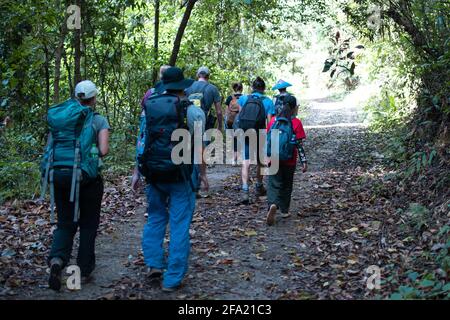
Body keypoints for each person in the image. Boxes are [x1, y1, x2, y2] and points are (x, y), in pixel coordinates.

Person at [137, 67, 209, 292]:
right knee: (179, 224)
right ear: (183, 86)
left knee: (156, 218)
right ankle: (172, 279)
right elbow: (199, 148)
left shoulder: (149, 107)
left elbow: (142, 142)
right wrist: (203, 173)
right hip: (181, 175)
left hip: (155, 173)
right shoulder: (193, 112)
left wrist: (136, 172)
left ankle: (154, 264)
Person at [46, 80, 110, 291]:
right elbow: (104, 150)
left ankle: (57, 260)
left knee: (65, 222)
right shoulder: (98, 120)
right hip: (87, 178)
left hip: (60, 174)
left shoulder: (62, 119)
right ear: (94, 98)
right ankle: (82, 270)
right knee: (88, 224)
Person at [132, 65, 171, 216]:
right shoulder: (180, 94)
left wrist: (137, 170)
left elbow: (143, 133)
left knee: (154, 176)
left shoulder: (150, 94)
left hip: (152, 146)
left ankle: (153, 206)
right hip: (172, 147)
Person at [266, 95, 307, 226]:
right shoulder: (296, 122)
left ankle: (273, 204)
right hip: (289, 159)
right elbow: (299, 145)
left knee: (273, 183)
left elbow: (267, 141)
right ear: (295, 107)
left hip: (273, 158)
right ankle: (284, 210)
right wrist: (304, 161)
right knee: (287, 184)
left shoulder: (273, 121)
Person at [237, 77, 276, 204]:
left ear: (252, 88)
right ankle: (259, 186)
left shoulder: (243, 99)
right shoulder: (268, 101)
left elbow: (241, 116)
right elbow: (270, 122)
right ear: (263, 89)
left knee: (245, 161)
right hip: (260, 133)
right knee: (261, 161)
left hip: (246, 132)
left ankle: (245, 190)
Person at [185, 66, 223, 132]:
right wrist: (220, 126)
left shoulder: (188, 86)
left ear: (197, 75)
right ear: (208, 76)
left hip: (189, 119)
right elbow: (219, 112)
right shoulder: (213, 89)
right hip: (204, 120)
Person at [224, 82, 244, 165]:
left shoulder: (230, 97)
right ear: (241, 89)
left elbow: (226, 110)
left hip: (231, 120)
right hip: (240, 119)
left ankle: (233, 159)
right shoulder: (244, 97)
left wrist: (226, 121)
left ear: (234, 88)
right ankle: (238, 158)